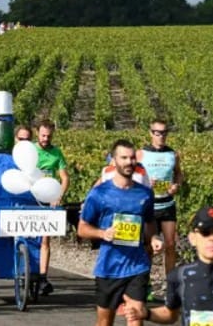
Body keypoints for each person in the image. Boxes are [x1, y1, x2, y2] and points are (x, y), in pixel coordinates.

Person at [126, 205, 213, 326]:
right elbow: (170, 314)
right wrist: (146, 313)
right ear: (192, 238)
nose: (212, 238)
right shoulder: (179, 275)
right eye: (205, 233)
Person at [78, 139, 164, 326]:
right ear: (114, 160)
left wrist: (154, 238)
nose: (129, 162)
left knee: (135, 316)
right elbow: (82, 228)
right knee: (104, 322)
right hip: (109, 267)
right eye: (123, 158)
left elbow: (149, 221)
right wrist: (103, 234)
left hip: (137, 265)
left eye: (132, 158)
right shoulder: (99, 194)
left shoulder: (145, 193)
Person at [137, 120, 184, 288]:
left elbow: (178, 174)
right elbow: (131, 175)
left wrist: (176, 185)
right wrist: (146, 183)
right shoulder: (141, 153)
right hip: (149, 206)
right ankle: (145, 283)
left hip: (167, 204)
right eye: (157, 133)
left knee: (170, 245)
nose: (161, 136)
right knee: (149, 246)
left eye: (164, 132)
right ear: (151, 133)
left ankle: (170, 284)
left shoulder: (173, 154)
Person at [34, 119, 70, 296]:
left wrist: (58, 196)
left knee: (45, 240)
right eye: (43, 135)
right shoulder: (30, 150)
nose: (46, 139)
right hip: (29, 198)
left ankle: (42, 277)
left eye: (49, 136)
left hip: (48, 199)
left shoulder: (56, 153)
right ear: (37, 134)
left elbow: (64, 178)